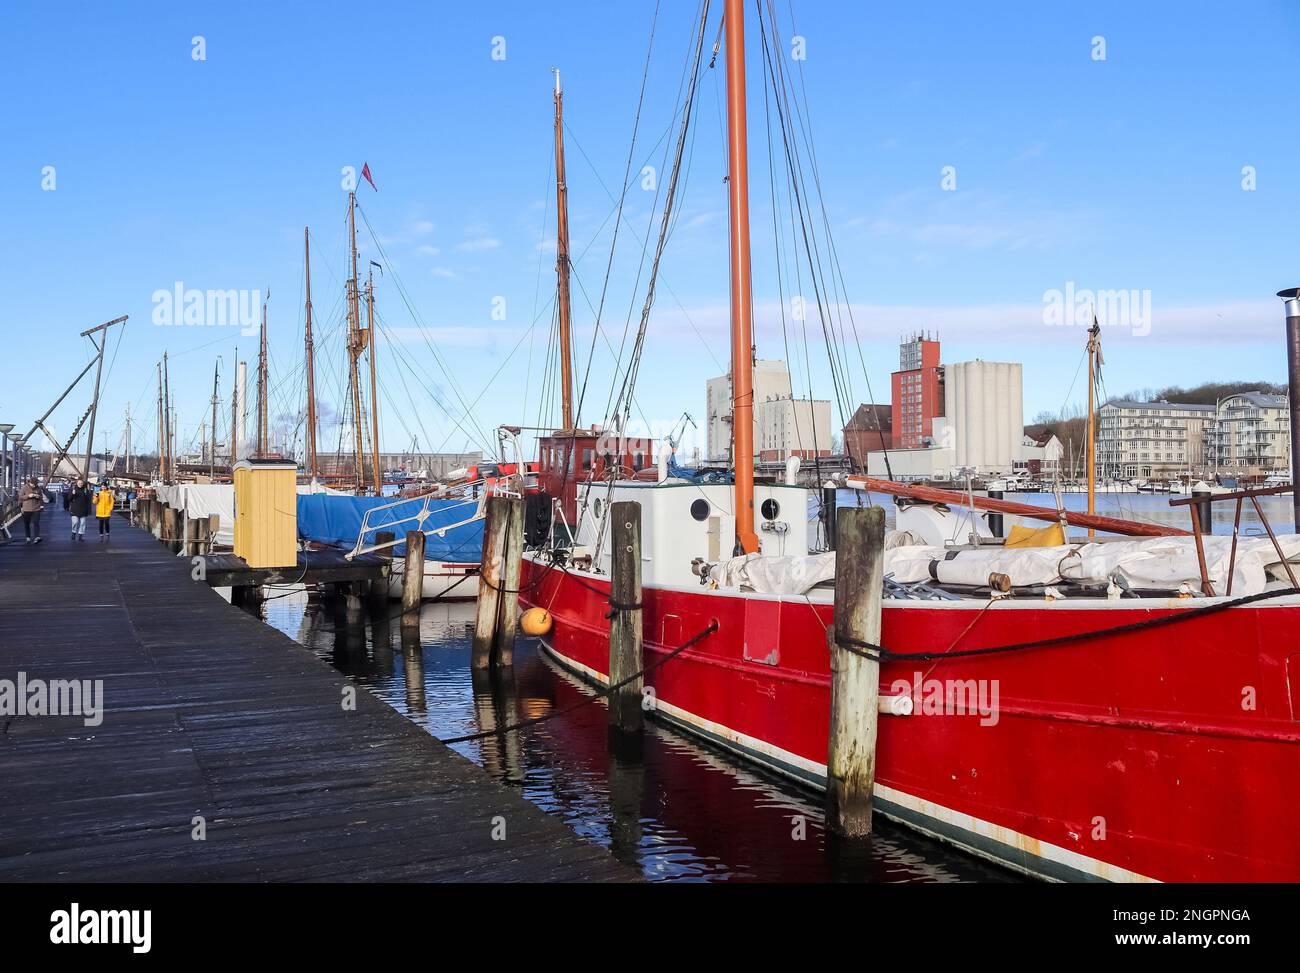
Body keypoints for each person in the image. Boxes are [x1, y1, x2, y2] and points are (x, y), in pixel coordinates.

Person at [19, 476, 44, 545]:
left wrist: (38, 496)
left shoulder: (38, 488)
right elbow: (20, 497)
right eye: (33, 484)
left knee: (36, 523)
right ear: (30, 482)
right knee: (27, 524)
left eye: (36, 484)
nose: (34, 485)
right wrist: (28, 496)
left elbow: (41, 497)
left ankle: (36, 537)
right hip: (27, 509)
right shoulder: (24, 488)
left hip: (36, 508)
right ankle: (28, 537)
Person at [67, 476, 92, 542]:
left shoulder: (85, 490)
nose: (80, 484)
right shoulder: (73, 489)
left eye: (81, 483)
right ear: (77, 483)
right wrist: (72, 494)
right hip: (75, 509)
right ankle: (73, 533)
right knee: (75, 522)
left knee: (82, 523)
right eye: (79, 483)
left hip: (83, 509)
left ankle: (80, 535)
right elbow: (69, 499)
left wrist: (89, 510)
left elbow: (88, 500)